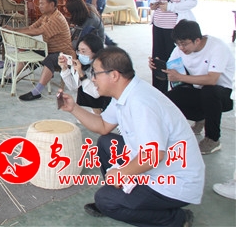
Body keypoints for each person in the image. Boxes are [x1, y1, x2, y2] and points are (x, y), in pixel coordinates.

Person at [58, 47, 204, 226]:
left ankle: (177, 219)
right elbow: (103, 126)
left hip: (174, 181)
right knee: (106, 142)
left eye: (95, 73)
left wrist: (121, 173)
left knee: (105, 201)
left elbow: (153, 156)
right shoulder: (125, 92)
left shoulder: (141, 103)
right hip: (155, 166)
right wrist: (73, 108)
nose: (92, 79)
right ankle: (123, 192)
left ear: (114, 75)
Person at [152, 19, 234, 155]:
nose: (181, 48)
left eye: (184, 44)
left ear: (197, 40)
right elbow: (170, 73)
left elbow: (212, 79)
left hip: (219, 94)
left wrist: (180, 77)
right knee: (166, 100)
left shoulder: (217, 48)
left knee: (209, 91)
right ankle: (200, 118)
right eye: (178, 44)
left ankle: (213, 139)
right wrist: (158, 68)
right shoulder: (179, 50)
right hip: (197, 89)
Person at [0, 0, 74, 101]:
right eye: (39, 4)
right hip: (50, 50)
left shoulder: (57, 19)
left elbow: (37, 31)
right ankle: (12, 77)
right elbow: (31, 28)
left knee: (50, 59)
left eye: (42, 4)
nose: (39, 6)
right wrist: (14, 29)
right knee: (28, 51)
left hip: (64, 54)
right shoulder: (46, 16)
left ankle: (37, 91)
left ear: (51, 4)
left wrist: (14, 30)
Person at [149, 0, 197, 94]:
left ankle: (180, 93)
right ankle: (159, 94)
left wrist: (171, 7)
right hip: (158, 25)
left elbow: (192, 1)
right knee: (158, 62)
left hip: (175, 27)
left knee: (176, 62)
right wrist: (154, 5)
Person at [58, 33, 110, 114]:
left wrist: (82, 75)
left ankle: (97, 113)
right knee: (83, 86)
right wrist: (64, 69)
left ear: (96, 52)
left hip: (105, 104)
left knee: (86, 84)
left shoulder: (104, 67)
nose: (80, 55)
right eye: (79, 51)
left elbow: (96, 93)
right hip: (88, 104)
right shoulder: (80, 64)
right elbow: (73, 86)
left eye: (84, 51)